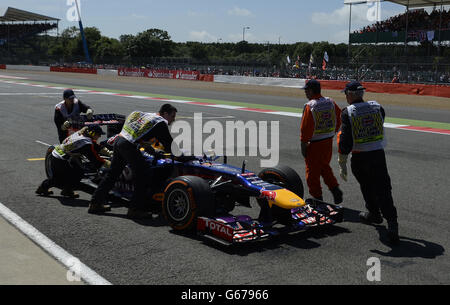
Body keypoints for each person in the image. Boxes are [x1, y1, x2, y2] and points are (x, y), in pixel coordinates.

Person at [337, 81, 399, 244]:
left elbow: (345, 141)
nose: (346, 97)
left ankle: (374, 213)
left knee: (367, 186)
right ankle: (391, 222)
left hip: (360, 156)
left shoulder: (348, 112)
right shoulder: (377, 107)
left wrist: (342, 161)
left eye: (346, 94)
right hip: (378, 154)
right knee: (383, 187)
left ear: (350, 94)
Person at [89, 104, 177, 218]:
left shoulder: (144, 115)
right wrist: (185, 156)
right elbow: (170, 145)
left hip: (119, 140)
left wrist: (154, 152)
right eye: (172, 116)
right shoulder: (160, 122)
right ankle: (135, 209)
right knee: (144, 173)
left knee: (112, 174)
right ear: (165, 113)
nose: (173, 120)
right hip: (127, 145)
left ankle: (95, 203)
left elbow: (139, 137)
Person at [36, 125, 111, 199]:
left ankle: (67, 189)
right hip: (60, 157)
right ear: (92, 133)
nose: (100, 136)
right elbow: (94, 158)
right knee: (60, 179)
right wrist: (107, 163)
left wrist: (108, 152)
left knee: (78, 172)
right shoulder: (86, 143)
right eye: (99, 134)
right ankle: (43, 188)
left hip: (63, 155)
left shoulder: (82, 133)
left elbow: (94, 145)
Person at [300, 79, 343, 204]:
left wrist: (304, 145)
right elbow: (339, 119)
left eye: (307, 90)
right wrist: (332, 132)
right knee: (324, 167)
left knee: (312, 173)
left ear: (312, 91)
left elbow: (305, 128)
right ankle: (335, 189)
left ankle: (317, 199)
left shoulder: (310, 106)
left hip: (315, 144)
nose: (305, 93)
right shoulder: (330, 102)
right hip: (328, 141)